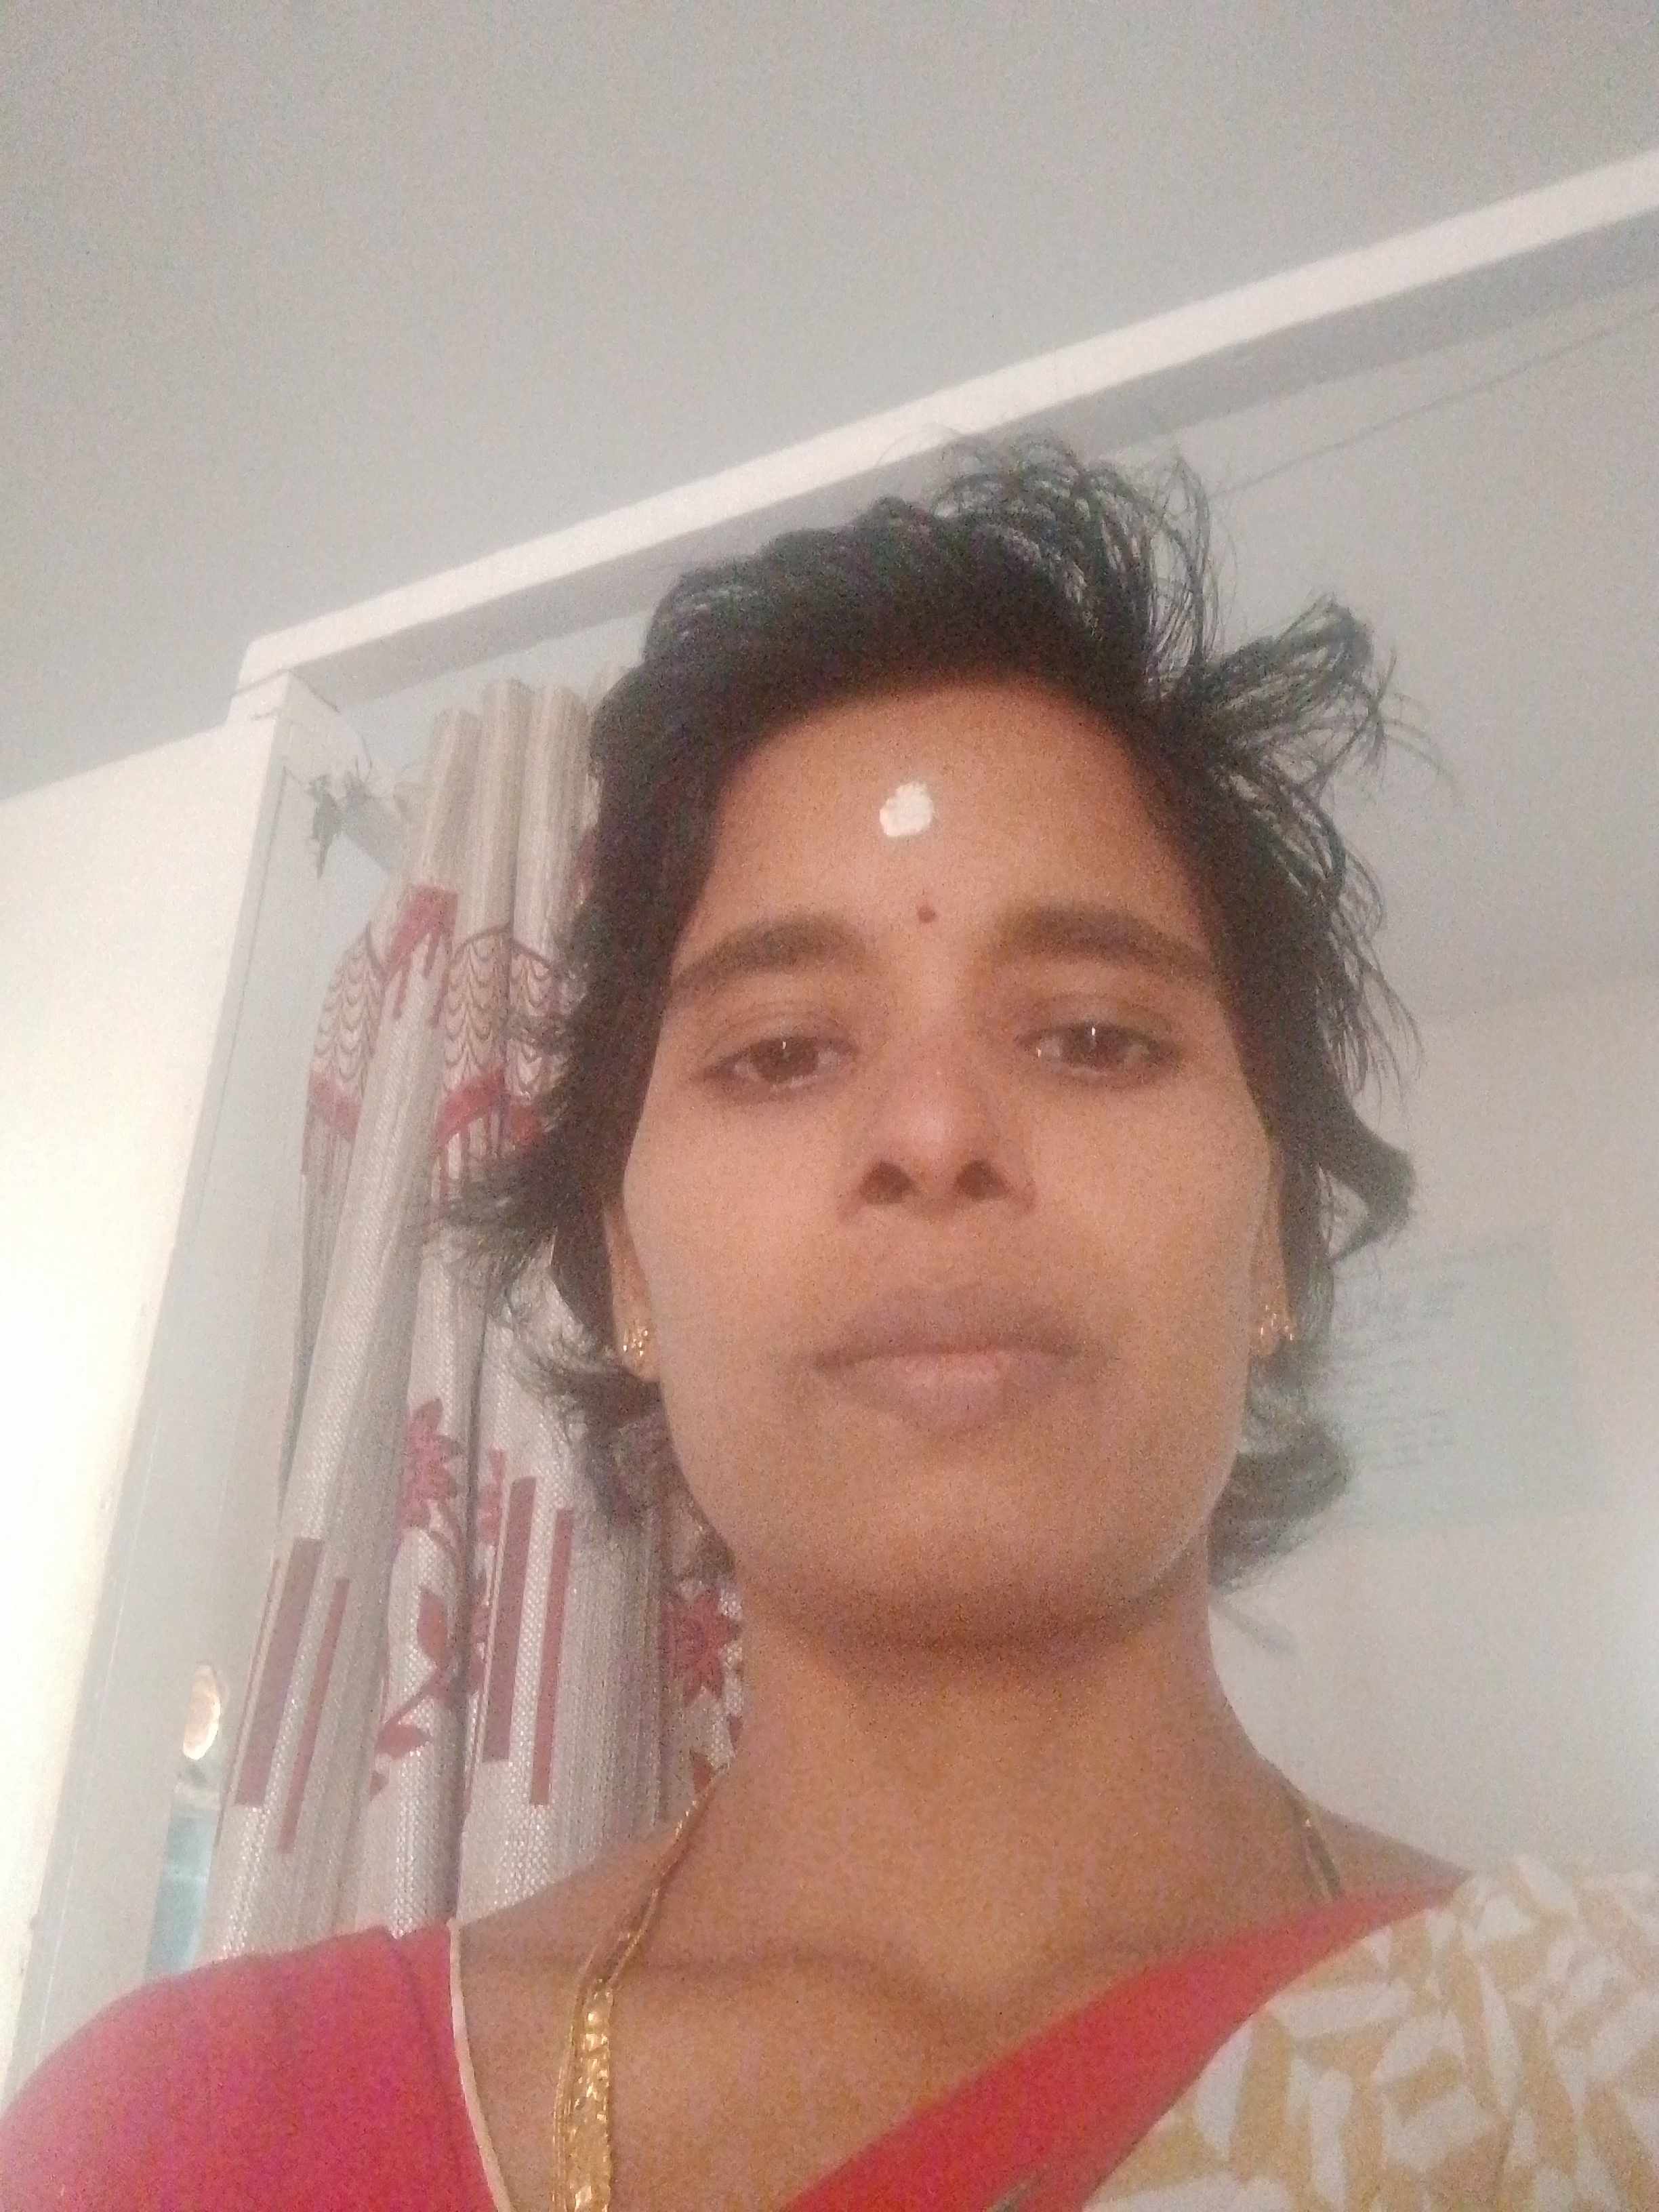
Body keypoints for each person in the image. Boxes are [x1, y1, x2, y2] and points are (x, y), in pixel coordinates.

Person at [5, 443, 1656, 2207]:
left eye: (1095, 1036)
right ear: (627, 1275)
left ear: (1280, 1248)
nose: (933, 1133)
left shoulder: (1598, 2076)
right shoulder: (196, 2142)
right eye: (781, 1051)